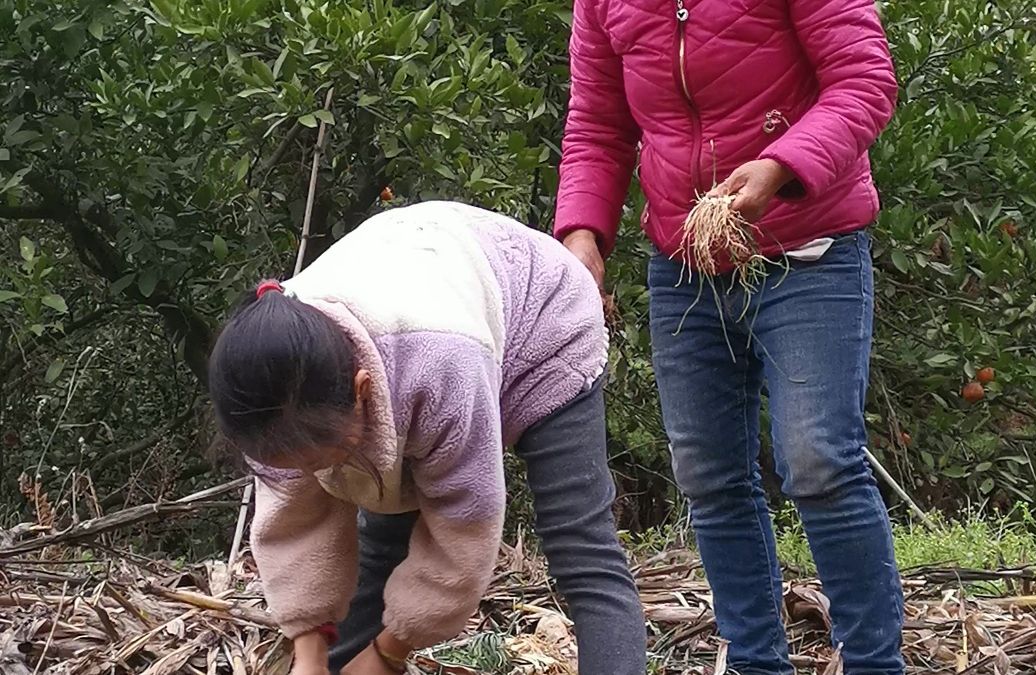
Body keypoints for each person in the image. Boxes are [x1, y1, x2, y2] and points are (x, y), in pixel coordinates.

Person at [554, 1, 903, 674]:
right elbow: (598, 125)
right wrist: (582, 237)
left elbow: (864, 79)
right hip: (684, 261)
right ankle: (755, 664)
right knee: (708, 474)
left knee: (819, 459)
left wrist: (779, 165)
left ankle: (873, 664)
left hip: (808, 249)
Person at [208, 202, 646, 675]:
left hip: (541, 313)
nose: (313, 473)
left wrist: (387, 653)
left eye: (326, 456)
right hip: (435, 303)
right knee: (382, 543)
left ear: (361, 390)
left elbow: (464, 523)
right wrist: (309, 651)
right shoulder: (264, 386)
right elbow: (294, 523)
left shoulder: (439, 366)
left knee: (579, 546)